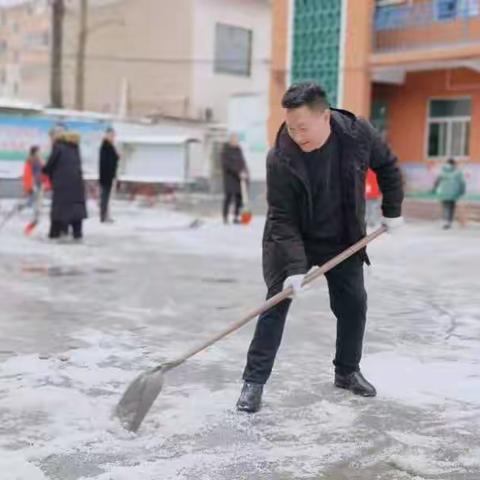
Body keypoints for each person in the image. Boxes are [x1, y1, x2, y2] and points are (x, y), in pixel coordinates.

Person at [237, 82, 404, 413]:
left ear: (325, 116)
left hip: (343, 235)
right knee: (276, 303)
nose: (297, 136)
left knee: (354, 303)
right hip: (293, 237)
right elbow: (282, 218)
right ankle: (253, 382)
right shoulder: (281, 157)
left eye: (303, 127)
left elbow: (387, 166)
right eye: (291, 128)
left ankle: (347, 371)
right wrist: (294, 270)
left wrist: (392, 211)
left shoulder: (358, 134)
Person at [43, 129, 87, 241]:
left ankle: (55, 234)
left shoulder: (58, 147)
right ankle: (76, 234)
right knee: (76, 213)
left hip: (62, 187)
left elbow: (49, 167)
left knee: (59, 213)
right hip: (77, 186)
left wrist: (43, 169)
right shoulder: (75, 148)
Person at [221, 133, 248, 224]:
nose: (236, 142)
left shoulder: (238, 150)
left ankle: (236, 216)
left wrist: (244, 171)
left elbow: (242, 162)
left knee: (238, 197)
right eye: (234, 140)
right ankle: (225, 217)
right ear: (230, 140)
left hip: (238, 179)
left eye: (237, 140)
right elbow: (226, 165)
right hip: (229, 178)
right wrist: (238, 172)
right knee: (228, 197)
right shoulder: (225, 151)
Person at [432, 158, 466, 229]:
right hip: (454, 193)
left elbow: (437, 181)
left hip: (443, 192)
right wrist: (462, 191)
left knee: (445, 207)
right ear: (454, 163)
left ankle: (446, 221)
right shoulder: (457, 172)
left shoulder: (442, 170)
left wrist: (434, 189)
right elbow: (462, 182)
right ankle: (449, 222)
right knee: (451, 207)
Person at [99, 127, 120, 223]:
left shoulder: (109, 146)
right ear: (107, 135)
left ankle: (106, 215)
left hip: (108, 175)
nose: (113, 137)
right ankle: (104, 216)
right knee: (105, 197)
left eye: (113, 135)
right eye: (111, 135)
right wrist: (116, 156)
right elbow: (106, 162)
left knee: (106, 197)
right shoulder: (106, 146)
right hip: (106, 175)